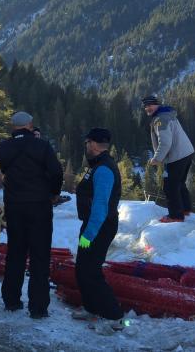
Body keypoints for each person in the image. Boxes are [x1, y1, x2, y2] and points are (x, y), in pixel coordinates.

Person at [0, 111, 63, 319]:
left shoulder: (5, 146)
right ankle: (38, 307)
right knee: (39, 256)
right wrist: (53, 194)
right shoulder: (42, 146)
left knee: (15, 253)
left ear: (13, 126)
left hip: (15, 206)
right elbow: (56, 172)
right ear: (30, 125)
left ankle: (11, 301)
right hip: (40, 206)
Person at [72, 128, 124, 327]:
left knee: (91, 272)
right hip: (95, 224)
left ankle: (114, 315)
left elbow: (101, 206)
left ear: (93, 144)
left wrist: (89, 234)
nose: (86, 147)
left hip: (100, 226)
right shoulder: (98, 165)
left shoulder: (103, 169)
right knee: (82, 270)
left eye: (87, 143)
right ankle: (91, 308)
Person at [142, 95, 195, 223]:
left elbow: (165, 142)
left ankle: (175, 216)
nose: (148, 108)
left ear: (157, 105)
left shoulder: (160, 119)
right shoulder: (167, 114)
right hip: (186, 152)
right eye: (146, 106)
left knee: (170, 186)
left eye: (150, 105)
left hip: (176, 157)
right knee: (179, 183)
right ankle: (185, 209)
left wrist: (157, 158)